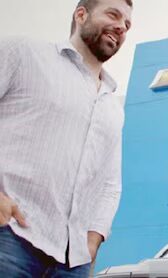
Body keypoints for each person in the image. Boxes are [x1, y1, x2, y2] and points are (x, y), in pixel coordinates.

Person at [0, 0, 132, 276]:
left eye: (127, 25)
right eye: (113, 14)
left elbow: (110, 182)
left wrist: (94, 238)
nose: (121, 26)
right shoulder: (23, 53)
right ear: (81, 15)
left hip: (74, 261)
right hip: (8, 238)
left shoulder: (112, 107)